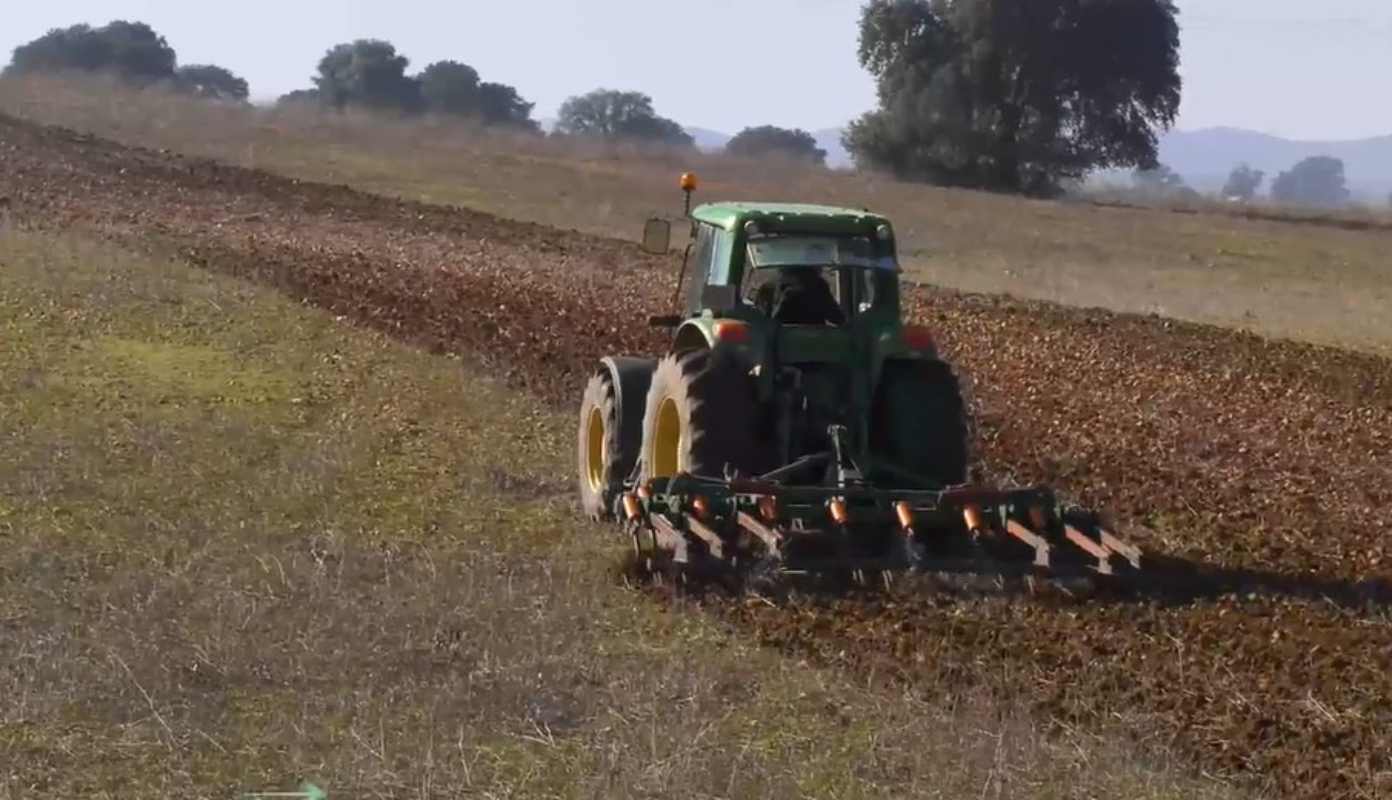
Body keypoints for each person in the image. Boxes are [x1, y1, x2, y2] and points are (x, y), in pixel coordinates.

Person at [769, 267, 845, 326]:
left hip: (788, 341)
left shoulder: (778, 286)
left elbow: (772, 322)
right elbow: (835, 316)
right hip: (813, 340)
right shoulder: (818, 285)